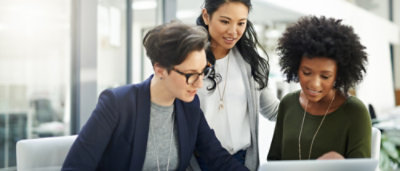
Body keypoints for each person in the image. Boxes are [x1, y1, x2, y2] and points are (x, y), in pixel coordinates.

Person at [62, 22, 249, 171]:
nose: (199, 84)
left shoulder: (189, 107)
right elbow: (75, 167)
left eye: (202, 72)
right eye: (191, 75)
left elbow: (217, 158)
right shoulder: (117, 104)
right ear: (160, 69)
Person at [191, 0, 280, 170]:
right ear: (206, 16)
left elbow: (273, 110)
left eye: (241, 23)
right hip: (199, 162)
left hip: (241, 160)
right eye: (225, 21)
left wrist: (317, 104)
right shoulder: (188, 60)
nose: (233, 31)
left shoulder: (251, 61)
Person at [267, 16, 371, 160]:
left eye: (325, 76)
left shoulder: (355, 111)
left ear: (338, 75)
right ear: (296, 67)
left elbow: (361, 169)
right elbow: (274, 161)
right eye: (307, 72)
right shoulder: (288, 104)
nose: (314, 84)